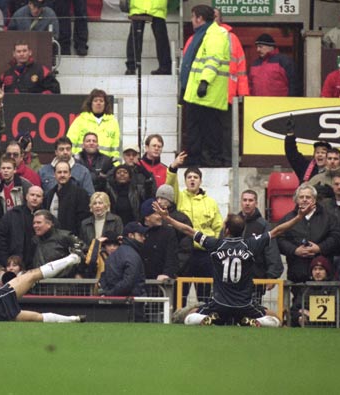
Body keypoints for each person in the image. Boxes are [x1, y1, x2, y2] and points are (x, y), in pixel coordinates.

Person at [155, 198, 315, 327]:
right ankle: (255, 322)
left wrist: (167, 218)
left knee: (189, 317)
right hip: (244, 304)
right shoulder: (251, 244)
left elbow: (188, 230)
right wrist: (299, 217)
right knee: (276, 319)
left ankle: (209, 319)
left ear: (226, 230)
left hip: (218, 303)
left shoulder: (215, 244)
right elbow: (278, 230)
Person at [167, 152, 223, 301]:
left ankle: (204, 319)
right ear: (185, 181)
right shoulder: (179, 197)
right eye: (189, 177)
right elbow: (170, 184)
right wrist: (173, 167)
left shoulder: (210, 202)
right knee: (180, 292)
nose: (192, 180)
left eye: (195, 177)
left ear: (200, 181)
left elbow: (218, 227)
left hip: (204, 253)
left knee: (204, 293)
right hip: (184, 253)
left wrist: (214, 246)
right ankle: (177, 319)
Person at [179, 5, 229, 167]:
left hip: (207, 92)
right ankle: (195, 158)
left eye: (193, 17)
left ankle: (213, 158)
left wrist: (204, 82)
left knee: (209, 128)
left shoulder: (215, 34)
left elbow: (213, 60)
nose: (192, 20)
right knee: (195, 128)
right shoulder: (203, 34)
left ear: (199, 18)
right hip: (196, 91)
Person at [277, 183, 340, 288]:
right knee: (299, 304)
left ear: (314, 200)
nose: (304, 200)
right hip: (297, 275)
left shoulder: (329, 218)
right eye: (301, 197)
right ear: (297, 200)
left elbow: (336, 238)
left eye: (308, 197)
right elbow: (279, 240)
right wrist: (294, 250)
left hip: (323, 277)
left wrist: (320, 248)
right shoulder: (287, 219)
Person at [98, 222, 147, 321]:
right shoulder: (132, 255)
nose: (143, 238)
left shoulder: (113, 256)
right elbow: (128, 282)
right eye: (140, 235)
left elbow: (104, 278)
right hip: (132, 304)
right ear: (131, 235)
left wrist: (108, 294)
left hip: (114, 305)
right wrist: (110, 294)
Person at [0, 185, 44, 268]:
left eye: (38, 196)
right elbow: (0, 238)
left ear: (42, 199)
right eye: (32, 195)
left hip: (38, 265)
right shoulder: (13, 214)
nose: (35, 198)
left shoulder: (47, 217)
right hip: (15, 264)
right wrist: (6, 261)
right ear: (26, 196)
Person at [67, 89, 121, 163]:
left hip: (105, 166)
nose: (98, 103)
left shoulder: (113, 122)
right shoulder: (80, 120)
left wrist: (115, 166)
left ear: (105, 104)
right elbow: (70, 143)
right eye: (95, 101)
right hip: (82, 162)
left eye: (101, 101)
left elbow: (116, 150)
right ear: (90, 103)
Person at [43, 160, 91, 236]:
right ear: (54, 174)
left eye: (65, 172)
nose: (62, 175)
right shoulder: (50, 195)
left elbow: (83, 221)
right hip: (52, 239)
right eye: (59, 172)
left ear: (70, 174)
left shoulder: (80, 194)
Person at [31, 209, 84, 275]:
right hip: (41, 282)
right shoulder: (34, 241)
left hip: (63, 282)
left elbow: (82, 254)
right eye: (34, 223)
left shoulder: (66, 237)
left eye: (38, 222)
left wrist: (79, 273)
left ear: (49, 224)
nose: (35, 226)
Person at [125, 0, 171, 75]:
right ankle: (165, 67)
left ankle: (131, 67)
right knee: (135, 37)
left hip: (145, 5)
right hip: (153, 5)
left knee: (161, 39)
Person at [290, 256, 336, 327]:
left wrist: (310, 314)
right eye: (315, 269)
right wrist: (299, 317)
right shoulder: (305, 289)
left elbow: (337, 312)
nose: (317, 272)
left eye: (321, 269)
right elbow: (294, 309)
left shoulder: (334, 289)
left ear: (327, 272)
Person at [139, 198, 177, 280]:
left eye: (160, 213)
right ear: (147, 217)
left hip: (161, 282)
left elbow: (171, 256)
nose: (160, 216)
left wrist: (167, 274)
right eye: (156, 214)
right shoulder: (138, 231)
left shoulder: (168, 232)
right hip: (141, 281)